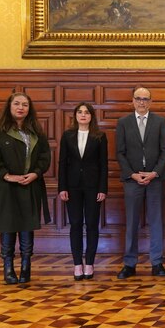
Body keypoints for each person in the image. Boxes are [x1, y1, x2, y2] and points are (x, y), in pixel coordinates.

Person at [0, 92, 51, 284]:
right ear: (9, 106)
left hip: (30, 185)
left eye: (25, 105)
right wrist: (7, 175)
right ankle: (8, 268)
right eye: (17, 104)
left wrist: (36, 173)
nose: (21, 107)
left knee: (27, 226)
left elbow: (45, 156)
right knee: (7, 226)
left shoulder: (36, 131)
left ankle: (26, 267)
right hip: (5, 186)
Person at [116, 86, 165, 279]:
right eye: (138, 98)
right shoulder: (123, 122)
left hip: (155, 179)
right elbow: (119, 153)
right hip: (132, 180)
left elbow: (164, 151)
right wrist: (132, 174)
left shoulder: (160, 122)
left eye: (145, 99)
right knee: (131, 222)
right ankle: (129, 264)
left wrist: (154, 172)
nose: (141, 102)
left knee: (156, 221)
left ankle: (157, 262)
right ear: (132, 100)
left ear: (151, 102)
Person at [58, 103, 108, 281]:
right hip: (72, 187)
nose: (83, 115)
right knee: (76, 224)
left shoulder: (100, 136)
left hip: (93, 187)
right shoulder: (67, 135)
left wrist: (103, 188)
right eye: (80, 112)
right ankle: (77, 263)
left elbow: (104, 164)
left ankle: (90, 263)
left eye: (86, 112)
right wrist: (62, 187)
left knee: (92, 224)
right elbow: (62, 163)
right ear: (75, 116)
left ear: (91, 116)